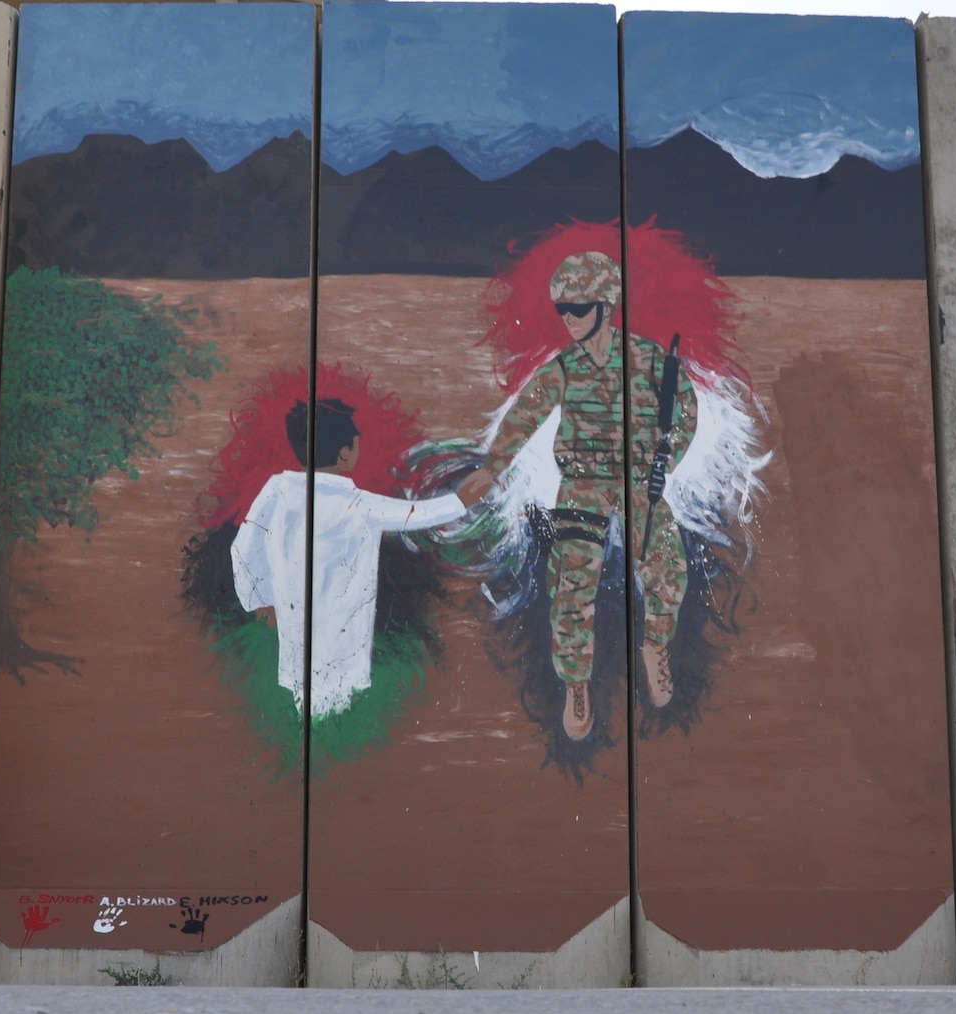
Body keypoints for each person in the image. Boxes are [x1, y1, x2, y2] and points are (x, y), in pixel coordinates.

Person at [457, 250, 697, 741]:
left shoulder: (650, 360)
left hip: (636, 486)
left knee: (668, 568)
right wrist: (492, 468)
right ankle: (576, 686)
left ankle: (654, 647)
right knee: (571, 586)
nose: (568, 320)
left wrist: (663, 465)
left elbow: (685, 411)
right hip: (582, 487)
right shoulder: (564, 367)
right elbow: (526, 413)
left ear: (606, 306)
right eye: (562, 310)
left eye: (579, 309)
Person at [232, 397, 466, 717]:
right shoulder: (359, 506)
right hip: (344, 644)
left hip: (295, 630)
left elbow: (244, 546)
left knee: (307, 700)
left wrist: (259, 599)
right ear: (344, 453)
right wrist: (460, 501)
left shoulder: (277, 490)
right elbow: (416, 514)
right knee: (335, 708)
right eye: (356, 442)